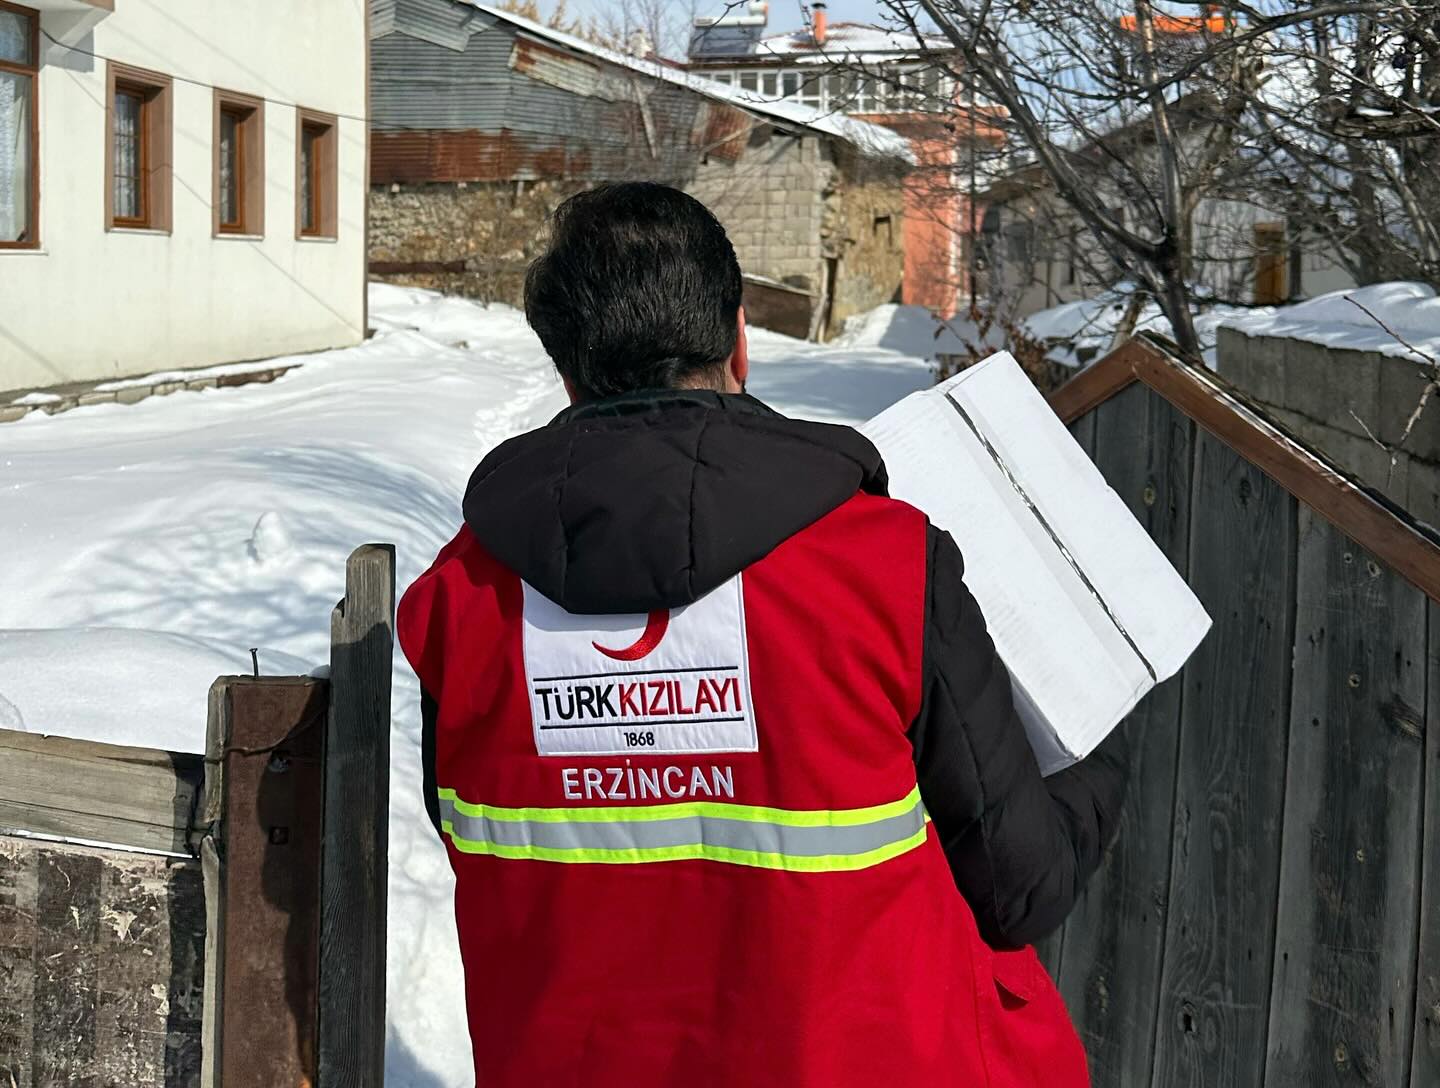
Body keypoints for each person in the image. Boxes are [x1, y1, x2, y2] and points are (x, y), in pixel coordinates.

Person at [397, 182, 1128, 1087]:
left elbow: (492, 838)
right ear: (738, 340)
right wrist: (1103, 740)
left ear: (570, 371)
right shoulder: (885, 569)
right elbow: (1022, 888)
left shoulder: (457, 604)